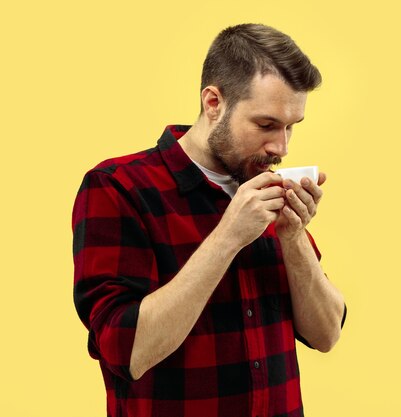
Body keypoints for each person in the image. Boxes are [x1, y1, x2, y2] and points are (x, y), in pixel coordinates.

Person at [72, 23, 346, 417]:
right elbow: (126, 352)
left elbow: (327, 334)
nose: (281, 147)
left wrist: (292, 236)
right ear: (213, 103)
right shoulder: (118, 188)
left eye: (291, 128)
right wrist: (227, 237)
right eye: (267, 125)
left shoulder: (262, 183)